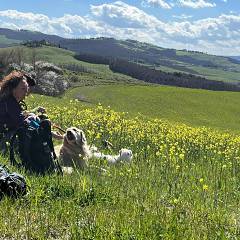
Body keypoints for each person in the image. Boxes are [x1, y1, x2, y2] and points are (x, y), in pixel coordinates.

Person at [0, 70, 63, 150]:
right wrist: (49, 132)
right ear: (13, 89)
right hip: (4, 140)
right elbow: (23, 123)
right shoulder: (9, 103)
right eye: (23, 89)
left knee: (33, 118)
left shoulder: (9, 100)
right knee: (31, 126)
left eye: (26, 89)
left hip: (6, 135)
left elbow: (21, 118)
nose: (26, 92)